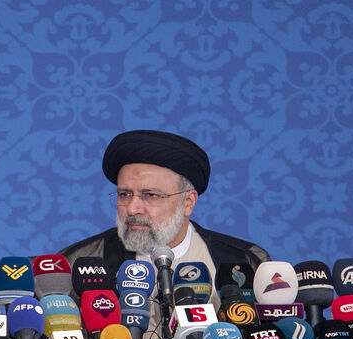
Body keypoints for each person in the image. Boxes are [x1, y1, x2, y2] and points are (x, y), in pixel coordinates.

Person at [59, 129, 269, 304]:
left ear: (188, 202)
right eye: (125, 194)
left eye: (150, 195)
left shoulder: (244, 261)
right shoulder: (76, 264)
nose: (132, 209)